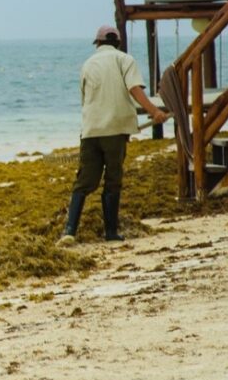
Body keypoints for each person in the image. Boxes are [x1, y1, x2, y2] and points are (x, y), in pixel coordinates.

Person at [58, 26, 169, 245]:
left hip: (91, 130)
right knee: (113, 180)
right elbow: (134, 89)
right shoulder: (125, 60)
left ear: (97, 43)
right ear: (117, 42)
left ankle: (70, 230)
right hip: (115, 129)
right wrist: (154, 111)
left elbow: (85, 99)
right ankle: (110, 233)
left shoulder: (88, 64)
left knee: (84, 181)